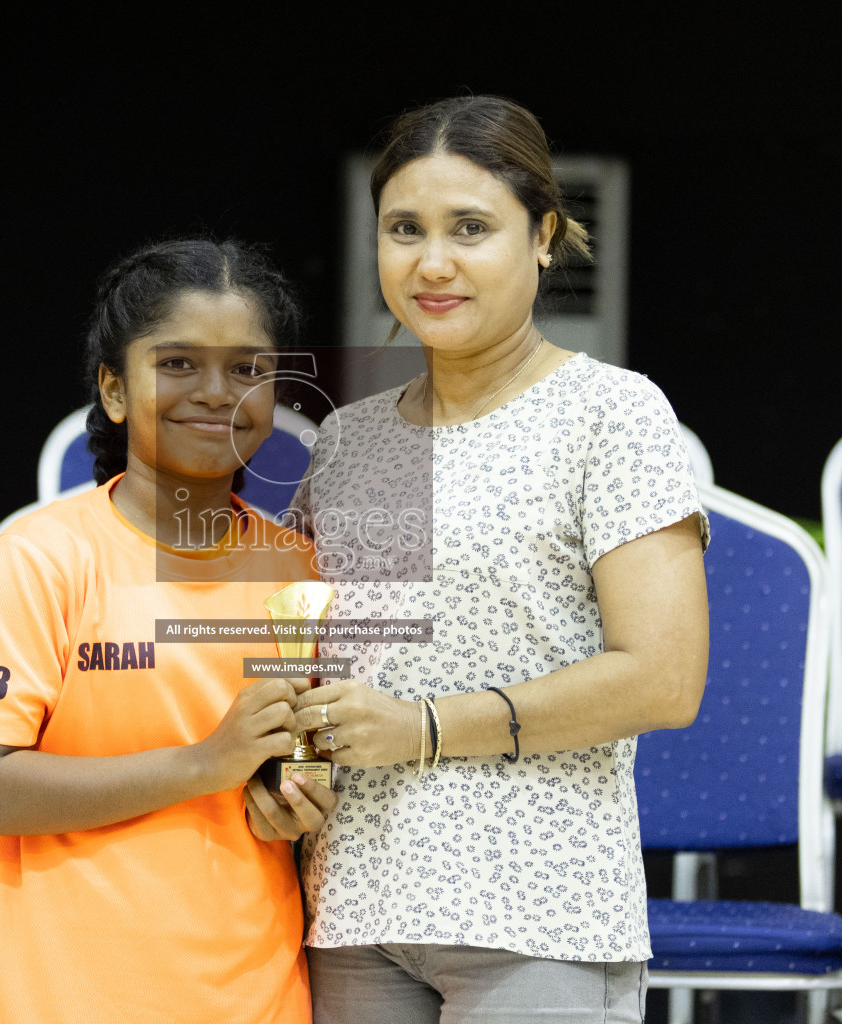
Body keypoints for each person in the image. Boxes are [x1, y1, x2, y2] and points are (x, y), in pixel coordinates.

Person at [286, 96, 711, 1023]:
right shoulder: (348, 442)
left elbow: (665, 679)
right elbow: (315, 664)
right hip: (352, 907)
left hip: (539, 911)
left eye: (470, 228)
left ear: (544, 235)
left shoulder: (615, 415)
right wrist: (286, 771)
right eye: (405, 229)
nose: (431, 261)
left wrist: (424, 727)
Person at [0, 237, 338, 1024]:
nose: (217, 392)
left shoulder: (303, 570)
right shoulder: (40, 558)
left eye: (248, 369)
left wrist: (301, 793)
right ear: (115, 390)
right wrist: (202, 764)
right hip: (66, 1002)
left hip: (258, 1002)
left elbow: (307, 762)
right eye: (180, 363)